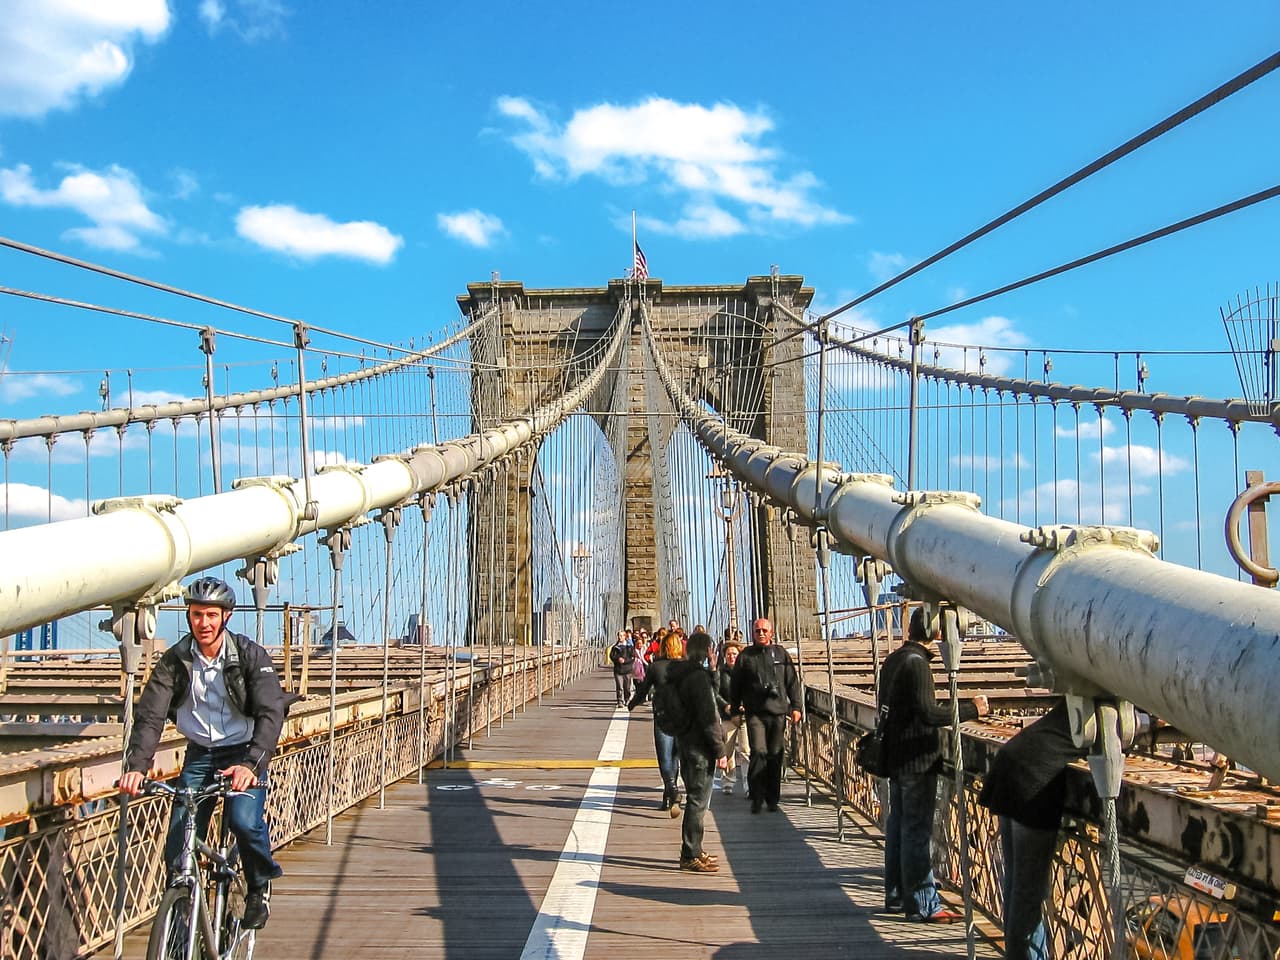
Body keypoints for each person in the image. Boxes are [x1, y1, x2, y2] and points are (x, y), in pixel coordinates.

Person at [118, 576, 289, 931]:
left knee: (244, 821)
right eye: (197, 615)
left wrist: (252, 764)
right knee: (179, 844)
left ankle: (258, 885)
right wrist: (136, 766)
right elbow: (150, 715)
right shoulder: (175, 661)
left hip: (243, 753)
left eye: (211, 615)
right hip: (200, 754)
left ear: (226, 616)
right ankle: (179, 923)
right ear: (189, 616)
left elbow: (272, 713)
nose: (204, 623)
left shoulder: (248, 655)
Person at [879, 607, 990, 923]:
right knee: (916, 832)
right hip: (917, 760)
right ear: (938, 633)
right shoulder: (917, 666)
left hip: (897, 757)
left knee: (899, 828)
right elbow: (929, 714)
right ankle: (923, 904)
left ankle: (898, 896)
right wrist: (972, 709)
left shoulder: (894, 660)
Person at [978, 701, 1088, 959]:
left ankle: (1021, 953)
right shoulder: (1112, 709)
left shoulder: (1082, 698)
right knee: (1028, 891)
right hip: (1033, 786)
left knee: (1016, 878)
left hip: (1011, 765)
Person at [729, 617, 802, 813]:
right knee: (758, 752)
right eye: (757, 630)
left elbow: (792, 682)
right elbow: (735, 685)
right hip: (755, 714)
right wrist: (735, 710)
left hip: (778, 712)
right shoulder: (745, 656)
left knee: (775, 755)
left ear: (771, 633)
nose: (760, 633)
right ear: (752, 633)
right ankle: (756, 796)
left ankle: (772, 799)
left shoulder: (781, 654)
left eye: (764, 630)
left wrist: (796, 706)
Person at [667, 631, 725, 872]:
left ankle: (695, 850)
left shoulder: (683, 674)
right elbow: (709, 717)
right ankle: (690, 854)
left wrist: (713, 670)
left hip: (686, 743)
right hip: (700, 748)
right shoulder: (697, 678)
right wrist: (720, 750)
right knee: (698, 801)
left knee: (696, 799)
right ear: (707, 650)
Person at [628, 631, 686, 812]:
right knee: (675, 756)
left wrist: (632, 704)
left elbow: (643, 690)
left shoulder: (656, 667)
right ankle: (670, 795)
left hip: (663, 717)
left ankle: (671, 788)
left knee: (664, 758)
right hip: (683, 718)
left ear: (663, 647)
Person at [715, 640, 748, 796]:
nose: (731, 656)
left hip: (745, 716)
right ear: (724, 656)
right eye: (728, 654)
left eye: (734, 654)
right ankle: (728, 782)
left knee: (746, 751)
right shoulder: (720, 673)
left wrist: (746, 704)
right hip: (728, 716)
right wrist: (725, 706)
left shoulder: (747, 671)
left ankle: (749, 785)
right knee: (727, 751)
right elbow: (715, 693)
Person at [608, 630, 637, 707]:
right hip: (618, 670)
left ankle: (627, 699)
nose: (620, 637)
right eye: (619, 636)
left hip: (627, 669)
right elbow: (611, 656)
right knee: (619, 687)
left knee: (627, 687)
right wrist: (618, 659)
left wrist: (625, 661)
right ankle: (620, 701)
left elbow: (633, 657)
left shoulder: (629, 647)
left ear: (625, 637)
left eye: (621, 635)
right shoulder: (615, 647)